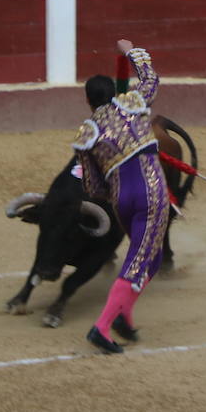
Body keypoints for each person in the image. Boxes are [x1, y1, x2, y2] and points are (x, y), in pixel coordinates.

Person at [78, 41, 169, 355]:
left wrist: (115, 187)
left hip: (121, 199)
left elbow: (92, 186)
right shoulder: (131, 103)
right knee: (138, 261)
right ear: (112, 95)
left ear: (88, 101)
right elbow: (151, 79)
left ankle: (124, 318)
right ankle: (102, 327)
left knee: (151, 257)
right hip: (150, 189)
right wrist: (134, 51)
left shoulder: (86, 133)